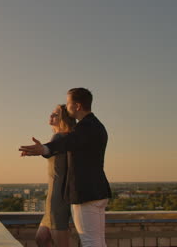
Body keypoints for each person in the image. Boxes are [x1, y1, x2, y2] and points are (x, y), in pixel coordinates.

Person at [19, 88, 111, 247]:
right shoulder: (96, 125)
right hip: (96, 191)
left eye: (68, 103)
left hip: (85, 193)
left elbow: (67, 141)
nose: (67, 107)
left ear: (77, 106)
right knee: (98, 241)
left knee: (91, 242)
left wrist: (44, 149)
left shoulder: (85, 127)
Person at [23, 104, 76, 247]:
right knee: (42, 238)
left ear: (64, 119)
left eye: (55, 114)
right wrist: (41, 150)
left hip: (58, 197)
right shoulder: (63, 139)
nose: (51, 116)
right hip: (53, 197)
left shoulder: (61, 136)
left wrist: (42, 149)